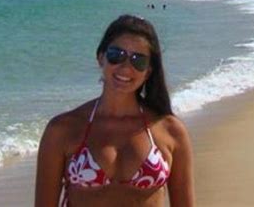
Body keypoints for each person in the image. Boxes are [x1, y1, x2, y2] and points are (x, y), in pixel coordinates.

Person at [35, 14, 195, 207]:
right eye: (116, 55)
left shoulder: (170, 131)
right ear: (100, 57)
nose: (126, 67)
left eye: (138, 60)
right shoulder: (62, 130)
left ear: (148, 71)